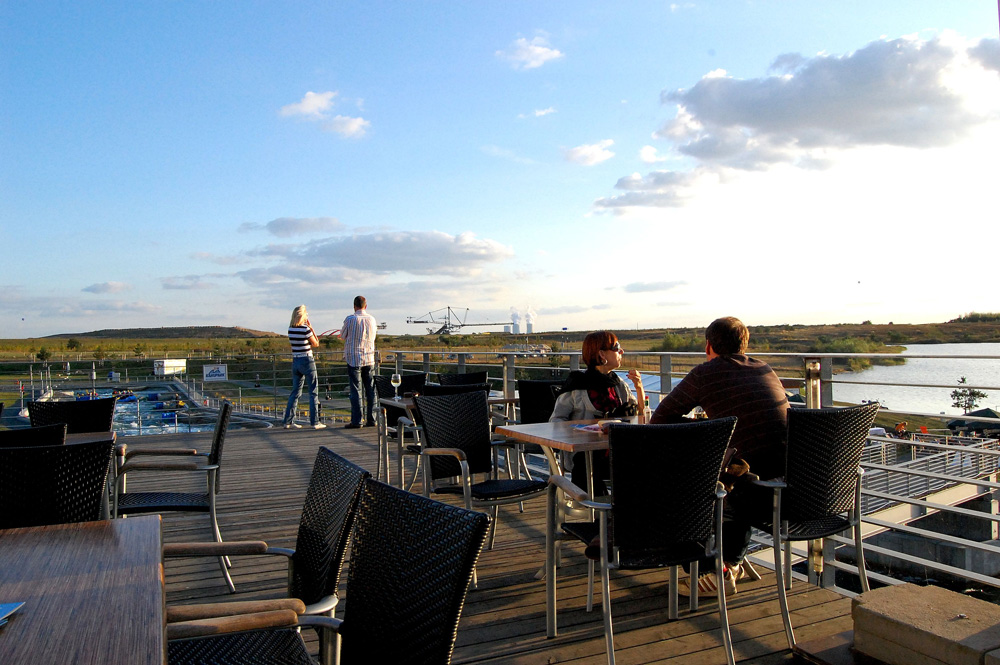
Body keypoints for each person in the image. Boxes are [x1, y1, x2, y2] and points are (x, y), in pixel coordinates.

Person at [650, 316, 789, 597]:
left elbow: (660, 420)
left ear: (708, 346)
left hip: (754, 493)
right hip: (795, 490)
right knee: (736, 472)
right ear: (744, 344)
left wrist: (709, 428)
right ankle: (731, 564)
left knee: (688, 488)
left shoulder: (705, 373)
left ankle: (713, 572)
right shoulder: (765, 368)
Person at [550, 330, 645, 496]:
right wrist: (580, 431)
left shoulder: (618, 384)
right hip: (585, 454)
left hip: (618, 451)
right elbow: (556, 421)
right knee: (587, 463)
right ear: (602, 354)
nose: (621, 351)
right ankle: (597, 507)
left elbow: (640, 415)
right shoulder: (577, 385)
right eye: (617, 348)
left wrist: (639, 387)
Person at [282, 305, 326, 430]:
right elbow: (316, 343)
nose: (308, 315)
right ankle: (315, 422)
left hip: (296, 361)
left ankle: (288, 421)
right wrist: (311, 328)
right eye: (306, 313)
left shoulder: (290, 329)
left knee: (295, 392)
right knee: (313, 392)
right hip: (307, 360)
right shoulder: (305, 329)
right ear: (302, 315)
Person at [339, 295, 377, 429]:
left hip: (353, 358)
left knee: (356, 390)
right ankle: (372, 419)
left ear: (354, 306)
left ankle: (357, 420)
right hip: (369, 358)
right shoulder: (372, 319)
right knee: (371, 390)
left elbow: (342, 335)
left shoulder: (350, 319)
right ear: (365, 306)